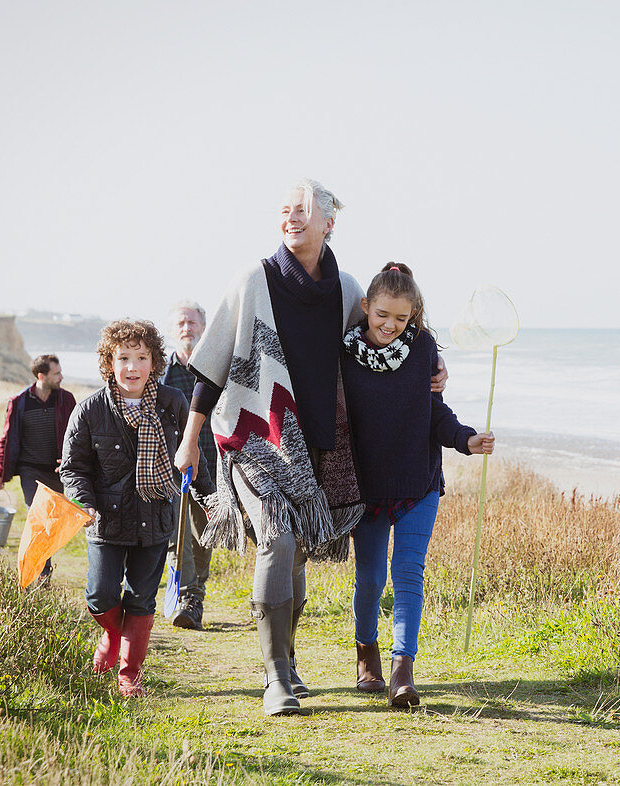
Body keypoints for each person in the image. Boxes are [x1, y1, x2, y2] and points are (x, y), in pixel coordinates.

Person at [174, 178, 447, 717]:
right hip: (256, 437)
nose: (292, 217)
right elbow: (211, 366)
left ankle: (288, 658)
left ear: (328, 223)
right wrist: (190, 438)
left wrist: (435, 364)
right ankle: (275, 678)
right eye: (285, 209)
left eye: (303, 210)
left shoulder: (346, 289)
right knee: (277, 538)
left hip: (320, 446)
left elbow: (381, 341)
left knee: (295, 548)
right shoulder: (253, 279)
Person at [341, 263, 494, 708]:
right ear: (366, 307)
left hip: (418, 483)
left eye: (401, 319)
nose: (390, 325)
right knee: (369, 579)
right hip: (367, 487)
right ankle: (365, 651)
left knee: (407, 573)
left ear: (414, 317)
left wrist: (466, 438)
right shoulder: (344, 353)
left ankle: (402, 670)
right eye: (382, 315)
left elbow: (436, 413)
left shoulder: (423, 348)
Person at [60, 320, 213, 698]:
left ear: (154, 362)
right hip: (106, 522)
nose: (132, 367)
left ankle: (129, 674)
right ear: (110, 363)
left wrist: (210, 499)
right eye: (123, 357)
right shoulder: (90, 410)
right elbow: (73, 468)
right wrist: (85, 503)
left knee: (141, 600)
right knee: (99, 595)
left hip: (155, 518)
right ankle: (112, 634)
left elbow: (194, 455)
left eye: (141, 357)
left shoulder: (172, 403)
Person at [0, 353, 77, 584]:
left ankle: (40, 568)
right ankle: (41, 575)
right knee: (38, 516)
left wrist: (71, 461)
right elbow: (6, 439)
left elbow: (78, 436)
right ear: (42, 376)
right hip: (30, 471)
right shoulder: (19, 402)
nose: (61, 377)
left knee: (52, 523)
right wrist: (0, 474)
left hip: (58, 471)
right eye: (56, 373)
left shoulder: (66, 400)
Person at [161, 300, 216, 629]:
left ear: (204, 327)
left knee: (204, 535)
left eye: (192, 323)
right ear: (172, 330)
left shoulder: (216, 368)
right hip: (171, 468)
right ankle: (189, 598)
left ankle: (196, 593)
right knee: (176, 532)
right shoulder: (161, 374)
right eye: (180, 323)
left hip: (212, 466)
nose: (187, 328)